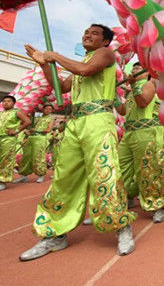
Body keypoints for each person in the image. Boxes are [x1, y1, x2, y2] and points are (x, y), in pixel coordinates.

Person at [19, 24, 136, 261]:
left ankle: (121, 227)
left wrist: (55, 56)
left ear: (105, 41)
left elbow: (86, 70)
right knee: (64, 177)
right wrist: (44, 64)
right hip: (75, 122)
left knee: (104, 173)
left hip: (98, 122)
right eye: (85, 32)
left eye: (94, 33)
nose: (87, 35)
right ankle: (55, 234)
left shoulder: (105, 54)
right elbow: (60, 86)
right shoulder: (80, 64)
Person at [116, 63, 164, 223]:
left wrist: (134, 84)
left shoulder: (151, 84)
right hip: (128, 134)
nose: (134, 70)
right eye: (133, 68)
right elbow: (122, 110)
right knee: (121, 168)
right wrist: (114, 94)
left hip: (145, 132)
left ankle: (155, 204)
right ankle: (128, 195)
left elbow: (143, 102)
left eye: (137, 68)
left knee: (147, 169)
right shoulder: (130, 90)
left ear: (147, 73)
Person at [14, 104, 54, 184]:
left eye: (50, 109)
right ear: (43, 109)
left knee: (38, 156)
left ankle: (40, 175)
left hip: (40, 138)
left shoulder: (50, 118)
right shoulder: (37, 116)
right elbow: (29, 120)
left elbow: (49, 129)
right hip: (31, 138)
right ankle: (24, 176)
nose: (48, 110)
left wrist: (38, 130)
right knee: (26, 156)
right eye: (46, 108)